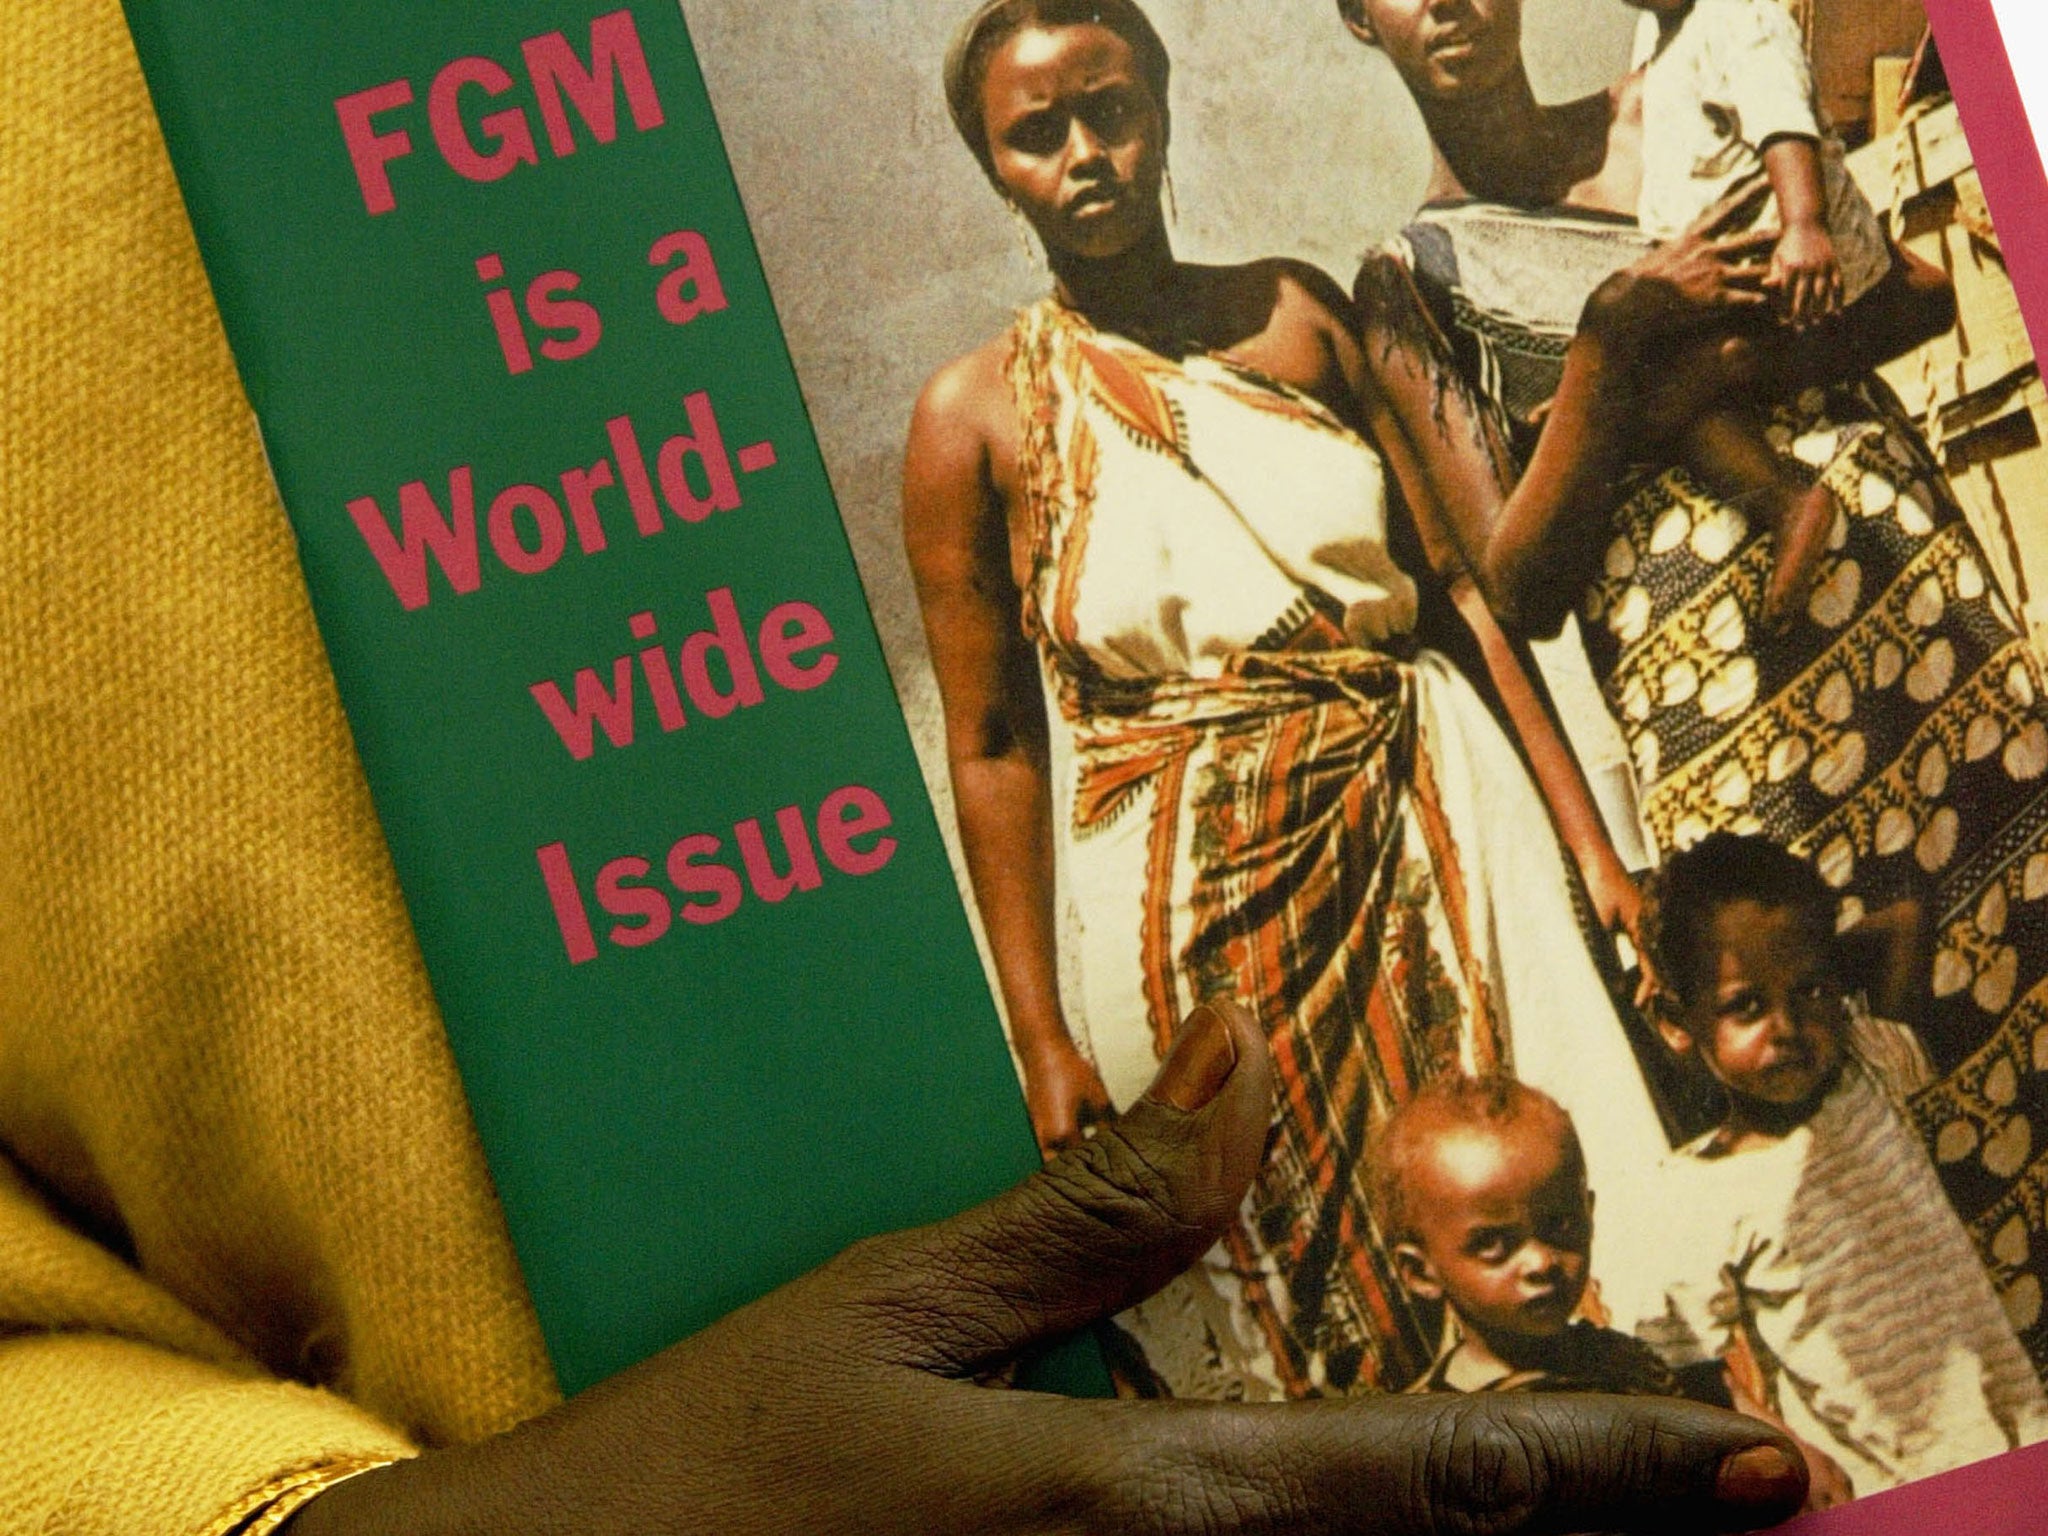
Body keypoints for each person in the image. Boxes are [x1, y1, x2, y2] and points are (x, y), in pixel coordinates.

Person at [905, 0, 1764, 1400]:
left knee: (1542, 1209)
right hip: (1190, 911)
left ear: (1164, 107)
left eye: (1110, 109)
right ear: (994, 165)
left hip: (1444, 832)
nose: (1088, 155)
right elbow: (992, 745)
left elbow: (1462, 597)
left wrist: (1593, 854)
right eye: (1037, 133)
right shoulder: (974, 420)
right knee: (1297, 1296)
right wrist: (1041, 1035)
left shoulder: (1297, 316)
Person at [1339, 0, 2048, 1373]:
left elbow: (1906, 292)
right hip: (1735, 720)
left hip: (1916, 628)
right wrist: (1611, 346)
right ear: (1357, 21)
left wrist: (1687, 384)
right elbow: (1520, 579)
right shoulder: (1406, 279)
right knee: (1859, 1074)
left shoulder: (1678, 105)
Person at [1639, 833, 2048, 1494]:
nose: (1787, 1027)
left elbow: (1906, 921)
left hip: (2019, 1437)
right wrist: (1783, 1446)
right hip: (1881, 1485)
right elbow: (1692, 1364)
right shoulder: (1698, 1190)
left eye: (1810, 992)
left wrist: (1805, 963)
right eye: (1747, 1004)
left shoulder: (1868, 1068)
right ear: (1676, 1019)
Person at [1623, 0, 1900, 628]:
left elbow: (1782, 119)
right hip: (1755, 268)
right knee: (1653, 374)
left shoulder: (1733, 15)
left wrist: (1804, 225)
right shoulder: (1658, 42)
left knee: (1680, 386)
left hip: (1792, 259)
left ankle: (1788, 506)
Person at [1369, 1074, 1715, 1399]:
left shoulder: (1625, 1362)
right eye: (1493, 1244)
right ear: (1420, 1271)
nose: (1541, 1262)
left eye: (1561, 1225)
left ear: (1588, 1214)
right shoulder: (1435, 1434)